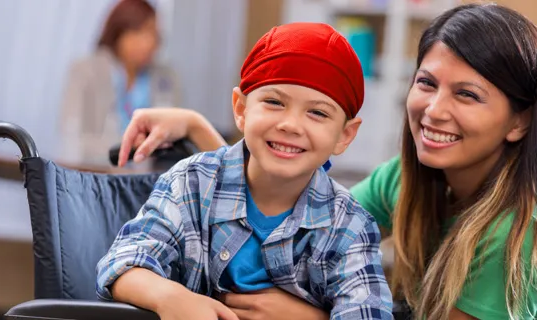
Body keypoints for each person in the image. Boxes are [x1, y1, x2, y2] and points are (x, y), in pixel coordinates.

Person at [116, 3, 537, 320]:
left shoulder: (518, 231)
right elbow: (290, 206)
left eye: (467, 95)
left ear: (519, 122)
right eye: (427, 83)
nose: (434, 109)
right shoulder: (407, 181)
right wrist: (204, 130)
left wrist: (311, 317)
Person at [96, 22, 393, 320]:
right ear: (241, 109)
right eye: (274, 102)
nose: (290, 124)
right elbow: (121, 262)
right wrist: (170, 297)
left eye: (317, 112)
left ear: (344, 135)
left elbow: (368, 312)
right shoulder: (191, 182)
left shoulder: (350, 225)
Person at [58, 0, 182, 166]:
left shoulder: (165, 79)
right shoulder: (85, 72)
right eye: (140, 32)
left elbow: (173, 135)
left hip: (145, 181)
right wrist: (131, 147)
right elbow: (73, 137)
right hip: (93, 174)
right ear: (118, 33)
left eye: (154, 34)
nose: (149, 43)